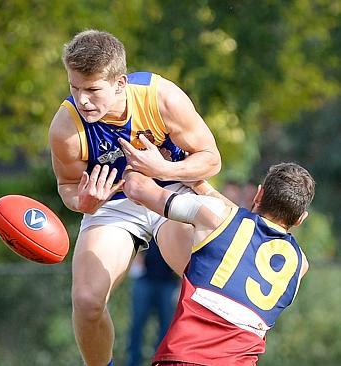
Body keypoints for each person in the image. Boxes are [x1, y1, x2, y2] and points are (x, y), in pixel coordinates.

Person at [48, 29, 220, 365]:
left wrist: (163, 169)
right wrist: (83, 203)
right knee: (87, 300)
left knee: (209, 286)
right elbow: (67, 186)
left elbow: (211, 158)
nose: (82, 100)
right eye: (74, 87)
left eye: (92, 90)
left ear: (120, 83)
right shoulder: (66, 127)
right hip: (114, 207)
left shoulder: (161, 98)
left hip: (169, 192)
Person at [118, 160, 315, 365]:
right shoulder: (301, 264)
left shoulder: (215, 217)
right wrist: (200, 186)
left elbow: (137, 188)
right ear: (301, 218)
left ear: (259, 194)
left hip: (186, 357)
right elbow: (248, 226)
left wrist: (138, 162)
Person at [124, 240, 178, 366]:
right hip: (145, 278)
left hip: (169, 281)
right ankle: (133, 362)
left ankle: (160, 362)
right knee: (137, 324)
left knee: (166, 328)